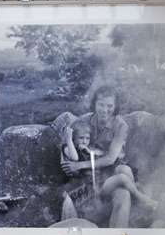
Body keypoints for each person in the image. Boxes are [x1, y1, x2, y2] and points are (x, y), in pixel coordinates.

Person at [59, 87, 157, 227]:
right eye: (101, 105)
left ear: (115, 106)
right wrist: (66, 163)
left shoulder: (120, 125)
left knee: (123, 174)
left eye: (109, 105)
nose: (105, 110)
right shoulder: (85, 120)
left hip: (111, 169)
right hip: (91, 174)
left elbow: (111, 158)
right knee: (71, 200)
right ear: (95, 104)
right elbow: (66, 141)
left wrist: (79, 165)